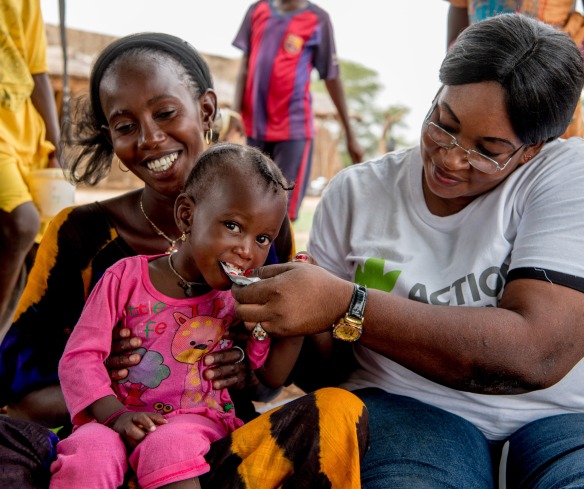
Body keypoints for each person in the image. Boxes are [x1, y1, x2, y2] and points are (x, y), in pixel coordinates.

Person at [0, 32, 368, 489]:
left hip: (208, 450)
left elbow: (270, 379)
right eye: (125, 125)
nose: (151, 138)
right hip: (96, 443)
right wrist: (115, 392)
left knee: (337, 414)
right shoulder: (81, 235)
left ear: (207, 111)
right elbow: (18, 400)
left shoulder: (263, 229)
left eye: (166, 113)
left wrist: (247, 368)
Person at [232, 13, 584, 487]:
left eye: (487, 149)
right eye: (445, 123)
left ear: (532, 150)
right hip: (406, 409)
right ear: (437, 92)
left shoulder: (566, 176)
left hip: (560, 419)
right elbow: (328, 369)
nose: (451, 156)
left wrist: (347, 303)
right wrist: (295, 320)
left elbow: (536, 353)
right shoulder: (357, 193)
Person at [50, 143, 304, 489]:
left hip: (196, 424)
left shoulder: (239, 299)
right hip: (112, 417)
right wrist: (115, 415)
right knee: (89, 452)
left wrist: (296, 306)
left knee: (169, 445)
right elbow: (79, 359)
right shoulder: (124, 279)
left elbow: (269, 373)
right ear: (187, 215)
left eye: (262, 238)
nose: (246, 250)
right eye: (232, 225)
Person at [232, 0, 364, 221]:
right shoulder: (258, 10)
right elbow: (244, 66)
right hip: (256, 127)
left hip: (293, 130)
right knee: (250, 207)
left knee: (282, 212)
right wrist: (236, 113)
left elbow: (331, 76)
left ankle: (282, 257)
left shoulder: (317, 19)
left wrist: (350, 135)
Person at [0, 0, 62, 336]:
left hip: (24, 130)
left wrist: (55, 143)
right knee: (22, 223)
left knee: (41, 241)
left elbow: (36, 69)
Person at [446, 0, 584, 138]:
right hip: (476, 72)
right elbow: (459, 6)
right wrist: (455, 62)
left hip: (548, 81)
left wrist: (567, 70)